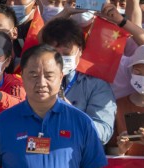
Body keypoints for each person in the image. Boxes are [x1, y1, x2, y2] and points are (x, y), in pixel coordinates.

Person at [40, 17, 117, 145]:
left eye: (66, 53)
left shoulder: (97, 86)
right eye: (54, 53)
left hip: (76, 158)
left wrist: (73, 114)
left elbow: (103, 134)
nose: (59, 59)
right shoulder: (33, 80)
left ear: (80, 51)